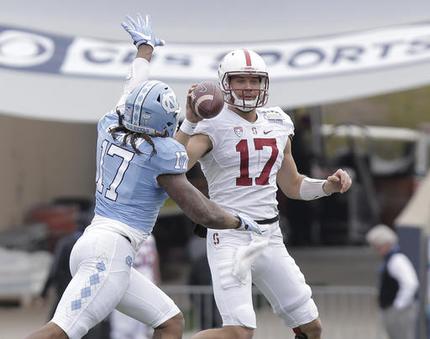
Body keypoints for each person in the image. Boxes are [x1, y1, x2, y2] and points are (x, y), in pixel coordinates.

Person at [25, 15, 263, 339]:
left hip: (99, 244)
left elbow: (133, 83)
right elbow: (202, 212)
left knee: (170, 321)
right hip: (110, 252)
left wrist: (145, 50)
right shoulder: (162, 154)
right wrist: (241, 221)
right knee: (59, 332)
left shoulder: (110, 123)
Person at [175, 49, 353, 339]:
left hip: (269, 236)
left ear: (264, 84)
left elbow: (293, 185)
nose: (248, 86)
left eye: (254, 80)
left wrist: (327, 186)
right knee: (239, 332)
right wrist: (189, 122)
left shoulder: (278, 121)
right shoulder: (211, 124)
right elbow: (175, 162)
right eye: (240, 79)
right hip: (229, 234)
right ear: (225, 84)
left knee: (311, 328)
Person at [366, 224, 419, 339]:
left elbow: (410, 283)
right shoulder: (392, 259)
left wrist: (398, 305)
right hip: (395, 309)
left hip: (399, 311)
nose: (377, 250)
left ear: (386, 244)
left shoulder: (396, 260)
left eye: (378, 247)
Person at [110, 235, 160, 339]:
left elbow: (155, 258)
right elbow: (155, 258)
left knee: (126, 325)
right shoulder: (149, 236)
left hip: (134, 278)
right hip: (143, 278)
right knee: (135, 325)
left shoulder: (126, 234)